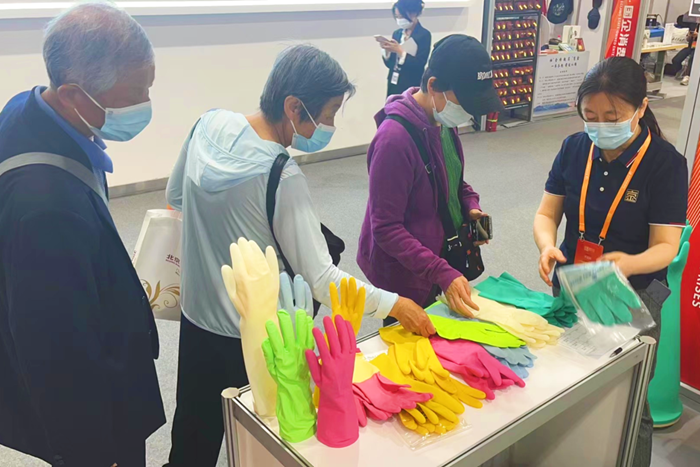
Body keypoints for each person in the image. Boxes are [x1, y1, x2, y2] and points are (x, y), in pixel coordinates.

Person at [165, 44, 434, 466]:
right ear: (293, 107)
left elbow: (175, 197)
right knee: (264, 440)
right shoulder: (281, 175)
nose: (329, 126)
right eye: (327, 114)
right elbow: (321, 279)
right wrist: (395, 304)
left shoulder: (207, 124)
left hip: (197, 318)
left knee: (191, 438)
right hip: (257, 336)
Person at [0, 3, 164, 466]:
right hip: (97, 420)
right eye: (134, 93)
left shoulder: (30, 108)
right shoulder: (47, 210)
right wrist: (94, 454)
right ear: (73, 93)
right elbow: (57, 356)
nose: (144, 104)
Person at [533, 57, 688, 467]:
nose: (600, 125)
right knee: (567, 380)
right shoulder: (574, 148)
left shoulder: (665, 164)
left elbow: (666, 247)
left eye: (613, 116)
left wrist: (629, 264)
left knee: (628, 402)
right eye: (590, 115)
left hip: (632, 293)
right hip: (574, 281)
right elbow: (546, 214)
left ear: (641, 108)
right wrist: (547, 246)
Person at [358, 35, 504, 323]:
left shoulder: (443, 123)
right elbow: (386, 228)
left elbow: (454, 181)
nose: (468, 114)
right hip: (404, 274)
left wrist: (470, 206)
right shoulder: (393, 141)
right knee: (409, 342)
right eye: (465, 103)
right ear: (434, 86)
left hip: (436, 260)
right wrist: (441, 272)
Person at [379, 0, 431, 97]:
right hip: (394, 81)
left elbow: (420, 63)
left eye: (402, 16)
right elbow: (390, 64)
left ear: (414, 13)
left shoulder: (424, 35)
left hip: (412, 83)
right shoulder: (397, 34)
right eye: (397, 17)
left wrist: (400, 51)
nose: (399, 20)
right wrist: (387, 51)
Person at [672, 12, 698, 86]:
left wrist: (698, 35)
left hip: (698, 48)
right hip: (691, 46)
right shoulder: (693, 24)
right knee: (676, 60)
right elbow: (688, 39)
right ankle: (680, 71)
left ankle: (687, 76)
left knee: (692, 58)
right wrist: (689, 36)